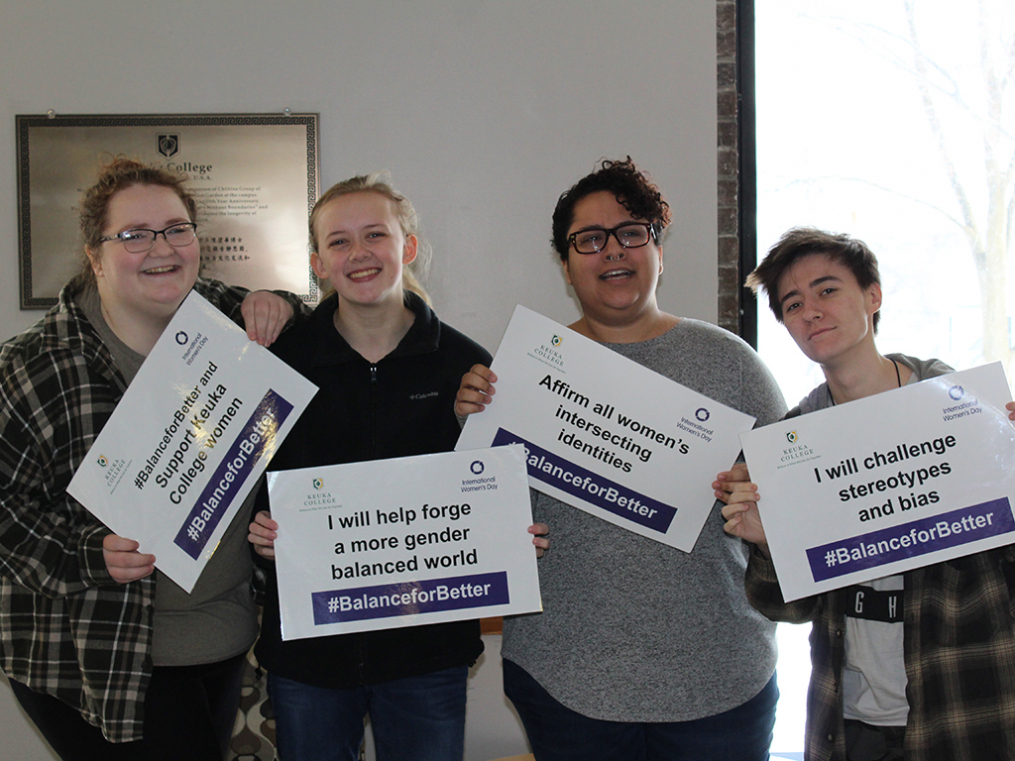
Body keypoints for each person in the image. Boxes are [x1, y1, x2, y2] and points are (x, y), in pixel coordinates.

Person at [455, 158, 786, 760]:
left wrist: (763, 504)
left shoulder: (732, 365)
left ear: (659, 250)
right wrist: (471, 430)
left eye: (632, 233)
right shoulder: (517, 378)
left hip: (721, 682)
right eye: (589, 239)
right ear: (565, 262)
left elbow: (794, 516)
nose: (613, 251)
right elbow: (479, 525)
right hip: (564, 682)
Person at [0, 158, 301, 760]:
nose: (160, 248)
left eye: (176, 229)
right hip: (93, 654)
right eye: (133, 235)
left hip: (223, 635)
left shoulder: (229, 319)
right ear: (95, 255)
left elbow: (320, 334)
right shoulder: (32, 366)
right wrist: (87, 553)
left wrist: (286, 305)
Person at [247, 172, 549, 761]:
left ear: (406, 248)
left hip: (425, 655)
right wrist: (260, 533)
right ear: (317, 263)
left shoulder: (465, 366)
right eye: (338, 241)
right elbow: (249, 485)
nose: (358, 253)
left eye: (375, 235)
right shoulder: (280, 365)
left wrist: (511, 534)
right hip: (309, 649)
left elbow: (497, 485)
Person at [716, 227, 1015, 761]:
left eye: (827, 290)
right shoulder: (789, 445)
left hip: (968, 709)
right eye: (792, 303)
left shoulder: (967, 412)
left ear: (872, 297)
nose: (810, 311)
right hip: (849, 722)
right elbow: (784, 608)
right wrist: (768, 544)